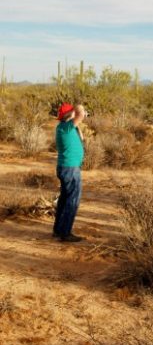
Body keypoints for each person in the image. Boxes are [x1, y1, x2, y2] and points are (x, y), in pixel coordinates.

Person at [53, 102, 87, 242]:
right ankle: (65, 233)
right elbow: (80, 113)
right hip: (70, 169)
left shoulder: (65, 128)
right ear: (69, 114)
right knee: (72, 200)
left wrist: (77, 123)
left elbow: (82, 138)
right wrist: (78, 107)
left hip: (67, 168)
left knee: (64, 199)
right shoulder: (66, 127)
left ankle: (58, 229)